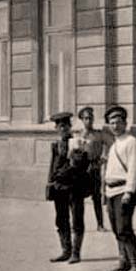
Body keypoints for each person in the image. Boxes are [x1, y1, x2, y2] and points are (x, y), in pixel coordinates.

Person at [103, 105, 136, 271]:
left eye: (118, 122)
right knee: (115, 229)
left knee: (124, 228)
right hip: (111, 191)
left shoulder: (131, 141)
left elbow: (134, 168)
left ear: (125, 123)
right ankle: (123, 262)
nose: (115, 126)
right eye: (112, 123)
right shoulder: (114, 144)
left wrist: (129, 192)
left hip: (123, 191)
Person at [46, 111, 88, 263]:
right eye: (60, 126)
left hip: (75, 186)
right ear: (56, 128)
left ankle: (76, 253)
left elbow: (81, 165)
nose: (63, 129)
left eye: (65, 126)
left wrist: (66, 169)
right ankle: (65, 250)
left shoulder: (77, 143)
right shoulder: (56, 145)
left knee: (77, 220)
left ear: (70, 127)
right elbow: (52, 166)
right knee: (61, 219)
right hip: (59, 188)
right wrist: (50, 184)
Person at [76, 107, 108, 231]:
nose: (88, 121)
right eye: (85, 118)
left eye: (90, 118)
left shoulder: (98, 135)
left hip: (94, 169)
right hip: (81, 170)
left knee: (97, 197)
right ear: (81, 120)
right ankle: (78, 225)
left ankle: (100, 224)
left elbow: (110, 145)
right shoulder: (78, 135)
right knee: (78, 198)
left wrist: (103, 160)